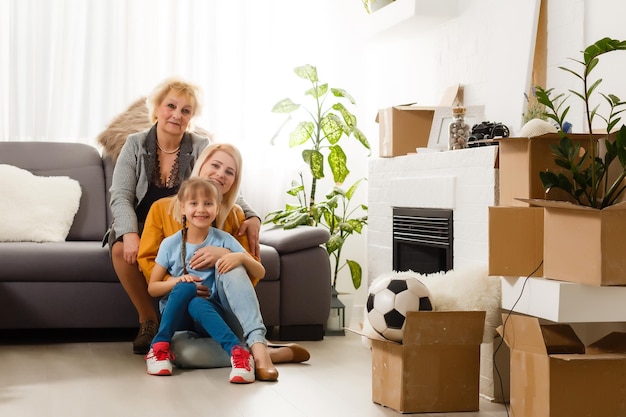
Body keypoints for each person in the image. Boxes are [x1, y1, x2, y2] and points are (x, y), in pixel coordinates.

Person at [106, 77, 261, 355]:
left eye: (186, 110)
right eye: (171, 106)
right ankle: (149, 320)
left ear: (191, 117)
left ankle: (207, 318)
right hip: (144, 220)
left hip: (183, 222)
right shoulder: (135, 144)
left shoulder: (200, 145)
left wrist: (251, 216)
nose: (177, 115)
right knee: (120, 249)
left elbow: (221, 184)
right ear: (156, 108)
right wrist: (129, 233)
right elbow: (120, 195)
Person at [138, 143, 310, 380]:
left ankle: (258, 348)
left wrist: (229, 255)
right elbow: (148, 264)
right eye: (216, 165)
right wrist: (181, 284)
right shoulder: (162, 212)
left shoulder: (236, 217)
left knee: (231, 262)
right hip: (184, 313)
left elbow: (250, 274)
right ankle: (262, 354)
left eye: (230, 172)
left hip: (224, 311)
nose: (221, 174)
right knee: (186, 355)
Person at [146, 178, 264, 383]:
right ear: (183, 208)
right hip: (178, 317)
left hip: (210, 314)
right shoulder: (170, 244)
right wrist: (178, 280)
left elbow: (260, 272)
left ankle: (238, 353)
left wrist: (241, 257)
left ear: (217, 208)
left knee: (198, 303)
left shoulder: (224, 239)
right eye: (194, 203)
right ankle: (159, 346)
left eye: (208, 203)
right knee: (185, 289)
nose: (201, 209)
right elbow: (153, 288)